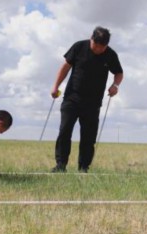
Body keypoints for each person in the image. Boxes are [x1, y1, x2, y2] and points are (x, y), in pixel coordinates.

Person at [50, 26, 124, 173]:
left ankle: (83, 168)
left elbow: (119, 73)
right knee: (64, 132)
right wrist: (55, 86)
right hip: (72, 98)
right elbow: (65, 67)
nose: (98, 50)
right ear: (92, 39)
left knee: (88, 137)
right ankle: (61, 165)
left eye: (102, 47)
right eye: (96, 46)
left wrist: (115, 85)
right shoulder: (79, 47)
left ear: (107, 45)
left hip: (93, 103)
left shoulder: (110, 54)